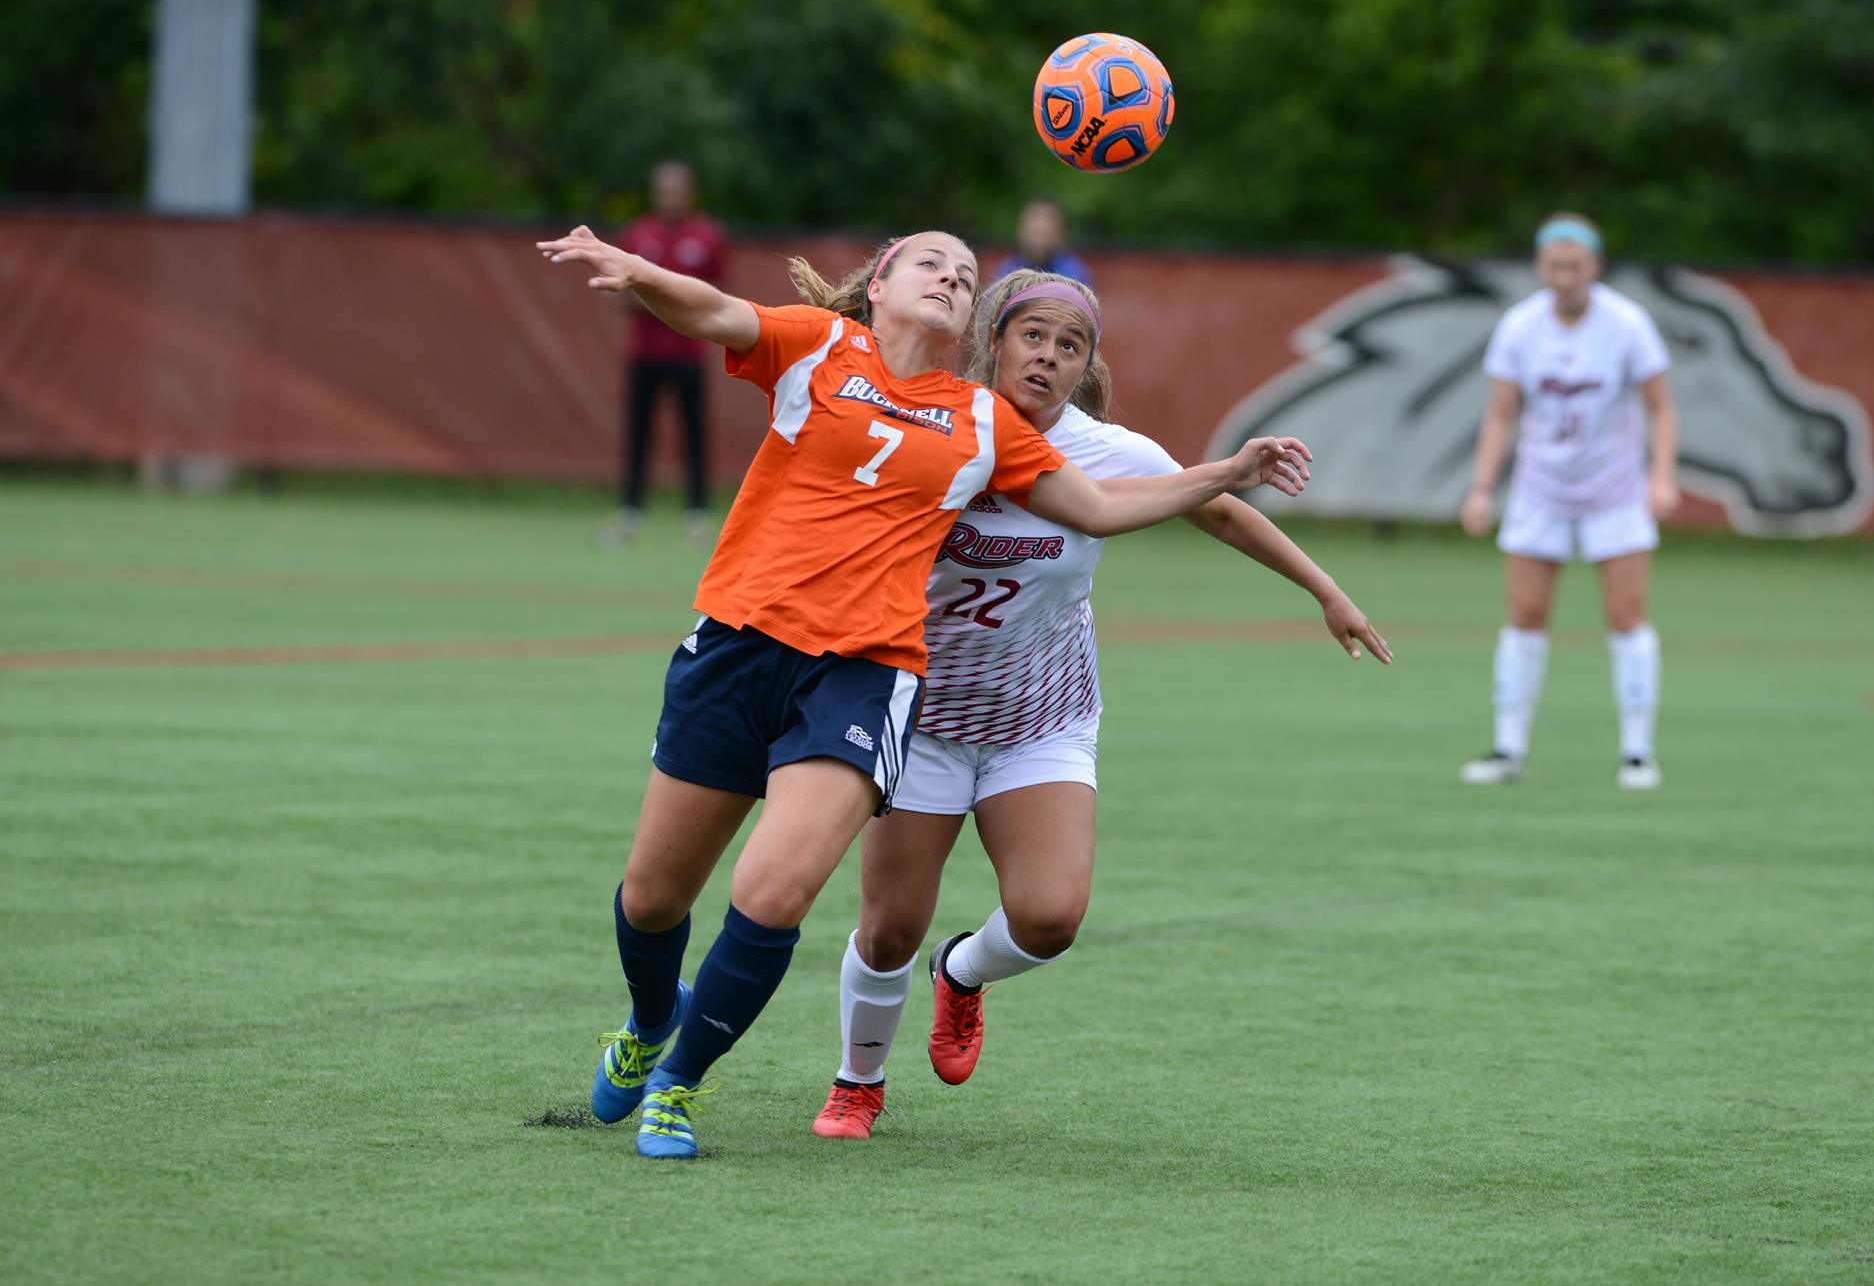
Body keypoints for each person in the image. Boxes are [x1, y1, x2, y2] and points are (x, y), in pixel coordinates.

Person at [536, 223, 1315, 1160]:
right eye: (930, 264)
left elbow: (1103, 506)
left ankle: (677, 1084)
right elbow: (712, 310)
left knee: (776, 890)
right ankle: (650, 1022)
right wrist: (634, 270)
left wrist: (1225, 472)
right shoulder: (818, 346)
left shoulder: (981, 422)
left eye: (965, 272)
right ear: (879, 287)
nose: (950, 277)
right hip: (738, 648)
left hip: (865, 674)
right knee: (654, 896)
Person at [809, 270, 1392, 1140]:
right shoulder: (932, 422)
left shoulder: (1111, 452)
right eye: (1032, 336)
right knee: (889, 926)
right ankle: (858, 1080)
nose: (1047, 356)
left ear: (1085, 367)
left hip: (1040, 715)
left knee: (1049, 918)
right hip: (922, 714)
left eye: (1068, 345)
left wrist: (1325, 588)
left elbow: (1222, 510)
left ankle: (962, 973)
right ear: (994, 342)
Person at [1457, 212, 1679, 790]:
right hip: (1541, 488)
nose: (1565, 277)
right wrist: (1482, 488)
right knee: (1526, 617)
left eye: (1575, 266)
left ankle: (1637, 754)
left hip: (1614, 489)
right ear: (1540, 267)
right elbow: (1502, 413)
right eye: (1554, 266)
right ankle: (1509, 749)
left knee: (1626, 615)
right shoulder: (1521, 326)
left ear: (1595, 267)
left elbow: (1661, 407)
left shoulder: (1627, 324)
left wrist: (1661, 477)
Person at [601, 160, 728, 546]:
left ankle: (697, 515)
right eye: (665, 190)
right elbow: (619, 291)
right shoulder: (638, 235)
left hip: (688, 355)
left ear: (689, 193)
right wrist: (656, 298)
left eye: (679, 191)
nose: (672, 198)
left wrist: (669, 299)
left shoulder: (707, 236)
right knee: (639, 432)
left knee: (693, 433)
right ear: (656, 193)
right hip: (645, 354)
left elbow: (718, 294)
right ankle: (631, 513)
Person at [994, 195, 1091, 286]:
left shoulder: (1073, 274)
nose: (1040, 226)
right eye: (1034, 233)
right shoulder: (1007, 269)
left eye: (1045, 233)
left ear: (1061, 233)